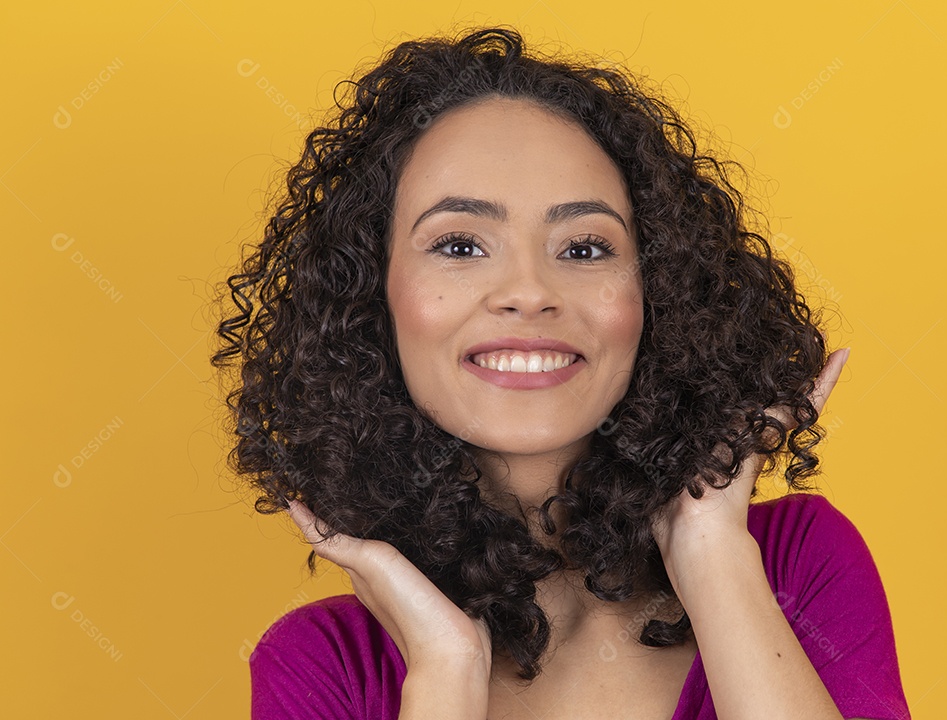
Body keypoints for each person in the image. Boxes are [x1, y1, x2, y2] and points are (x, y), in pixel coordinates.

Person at [212, 26, 911, 720]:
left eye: (582, 248)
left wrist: (712, 556)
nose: (529, 289)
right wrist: (445, 675)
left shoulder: (798, 566)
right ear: (373, 299)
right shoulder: (324, 666)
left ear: (655, 293)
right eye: (459, 244)